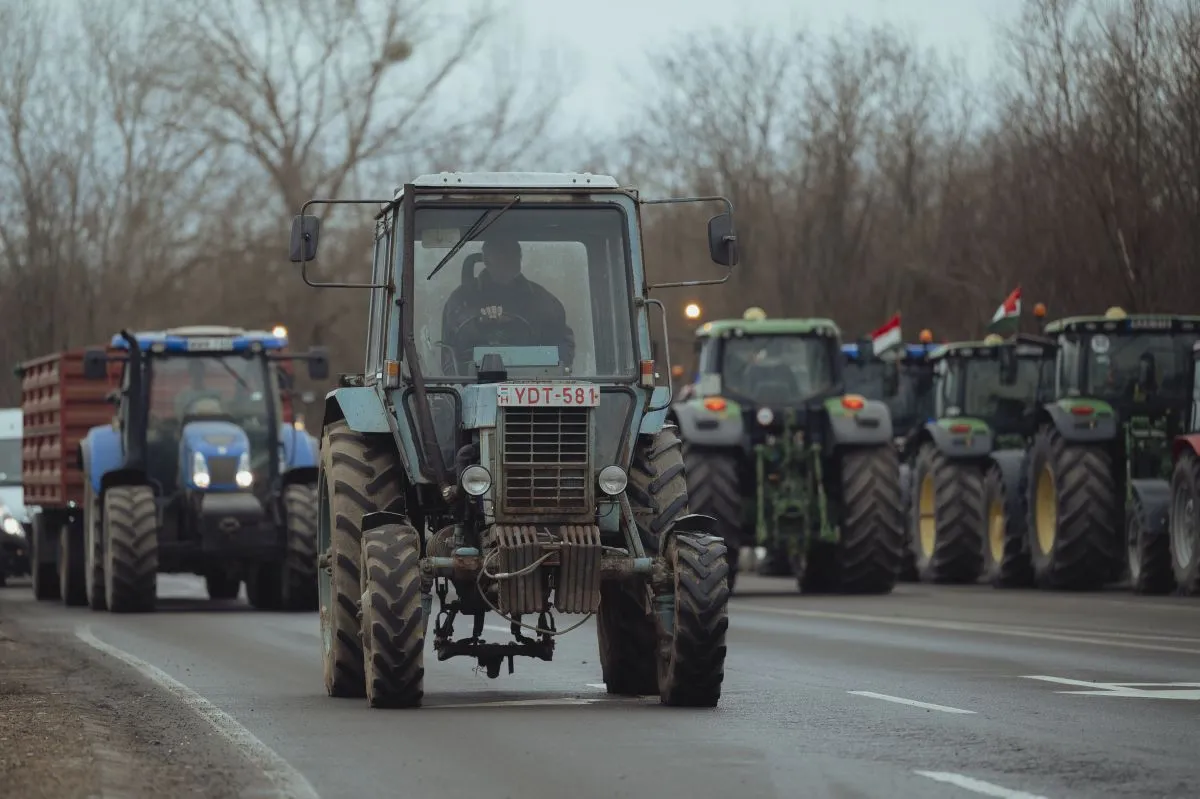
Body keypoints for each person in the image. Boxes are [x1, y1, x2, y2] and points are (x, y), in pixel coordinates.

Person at [440, 230, 576, 372]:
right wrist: (479, 323)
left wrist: (554, 369)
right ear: (486, 260)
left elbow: (563, 344)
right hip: (470, 385)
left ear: (520, 258)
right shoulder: (462, 299)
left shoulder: (543, 301)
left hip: (532, 386)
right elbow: (450, 347)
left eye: (512, 255)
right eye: (501, 255)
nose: (507, 260)